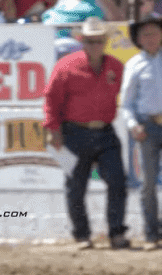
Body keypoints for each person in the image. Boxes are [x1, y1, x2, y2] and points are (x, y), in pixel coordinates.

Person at [43, 17, 130, 250]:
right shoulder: (66, 66)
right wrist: (53, 130)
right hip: (73, 132)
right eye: (90, 41)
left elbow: (128, 94)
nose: (94, 45)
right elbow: (51, 99)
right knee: (75, 186)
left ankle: (116, 232)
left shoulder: (115, 67)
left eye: (99, 41)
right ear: (82, 41)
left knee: (117, 181)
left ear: (105, 41)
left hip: (105, 131)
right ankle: (82, 235)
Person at [121, 15, 162, 248]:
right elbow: (126, 103)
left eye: (154, 32)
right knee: (148, 184)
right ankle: (151, 234)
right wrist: (133, 125)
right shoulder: (134, 65)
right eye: (146, 34)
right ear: (138, 39)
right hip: (147, 126)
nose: (151, 38)